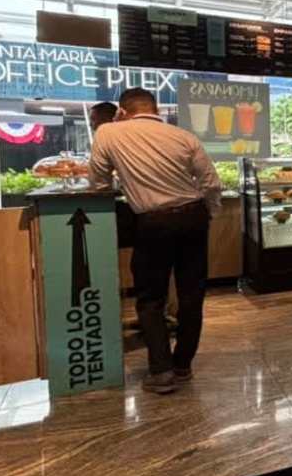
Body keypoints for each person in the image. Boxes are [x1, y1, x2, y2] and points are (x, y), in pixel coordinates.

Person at [89, 88, 221, 394]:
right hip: (193, 218)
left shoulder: (108, 132)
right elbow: (211, 183)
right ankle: (183, 365)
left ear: (121, 112)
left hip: (153, 222)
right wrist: (209, 214)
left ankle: (161, 372)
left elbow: (98, 183)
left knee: (151, 298)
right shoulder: (184, 136)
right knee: (191, 294)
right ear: (156, 109)